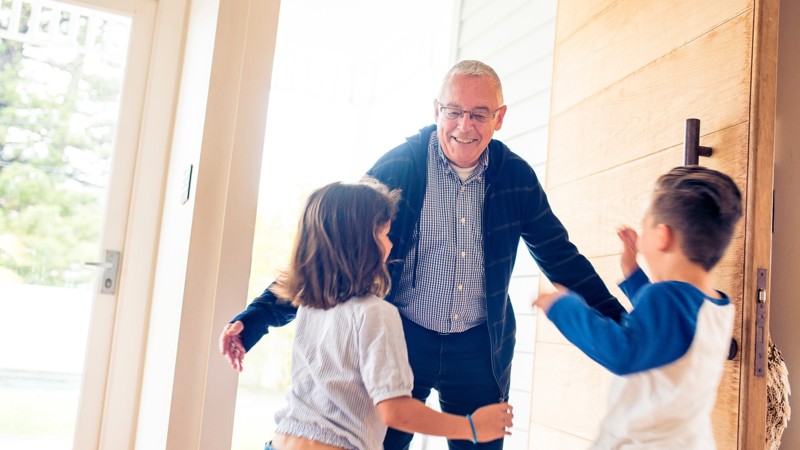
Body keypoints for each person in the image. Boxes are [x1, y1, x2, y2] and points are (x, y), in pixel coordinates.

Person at [221, 60, 625, 450]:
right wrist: (254, 319)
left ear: (499, 118)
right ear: (437, 110)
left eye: (480, 115)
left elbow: (560, 257)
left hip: (478, 346)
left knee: (481, 439)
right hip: (403, 334)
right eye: (454, 112)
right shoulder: (399, 168)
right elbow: (333, 247)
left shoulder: (516, 178)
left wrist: (624, 327)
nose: (465, 126)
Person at [233, 179, 513, 450]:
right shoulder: (376, 314)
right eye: (384, 234)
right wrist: (472, 427)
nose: (391, 245)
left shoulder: (310, 305)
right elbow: (395, 411)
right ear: (360, 243)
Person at [533, 166, 743, 449]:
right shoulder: (718, 305)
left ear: (662, 237)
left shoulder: (669, 299)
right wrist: (632, 272)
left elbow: (623, 351)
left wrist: (563, 307)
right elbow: (662, 330)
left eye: (645, 228)